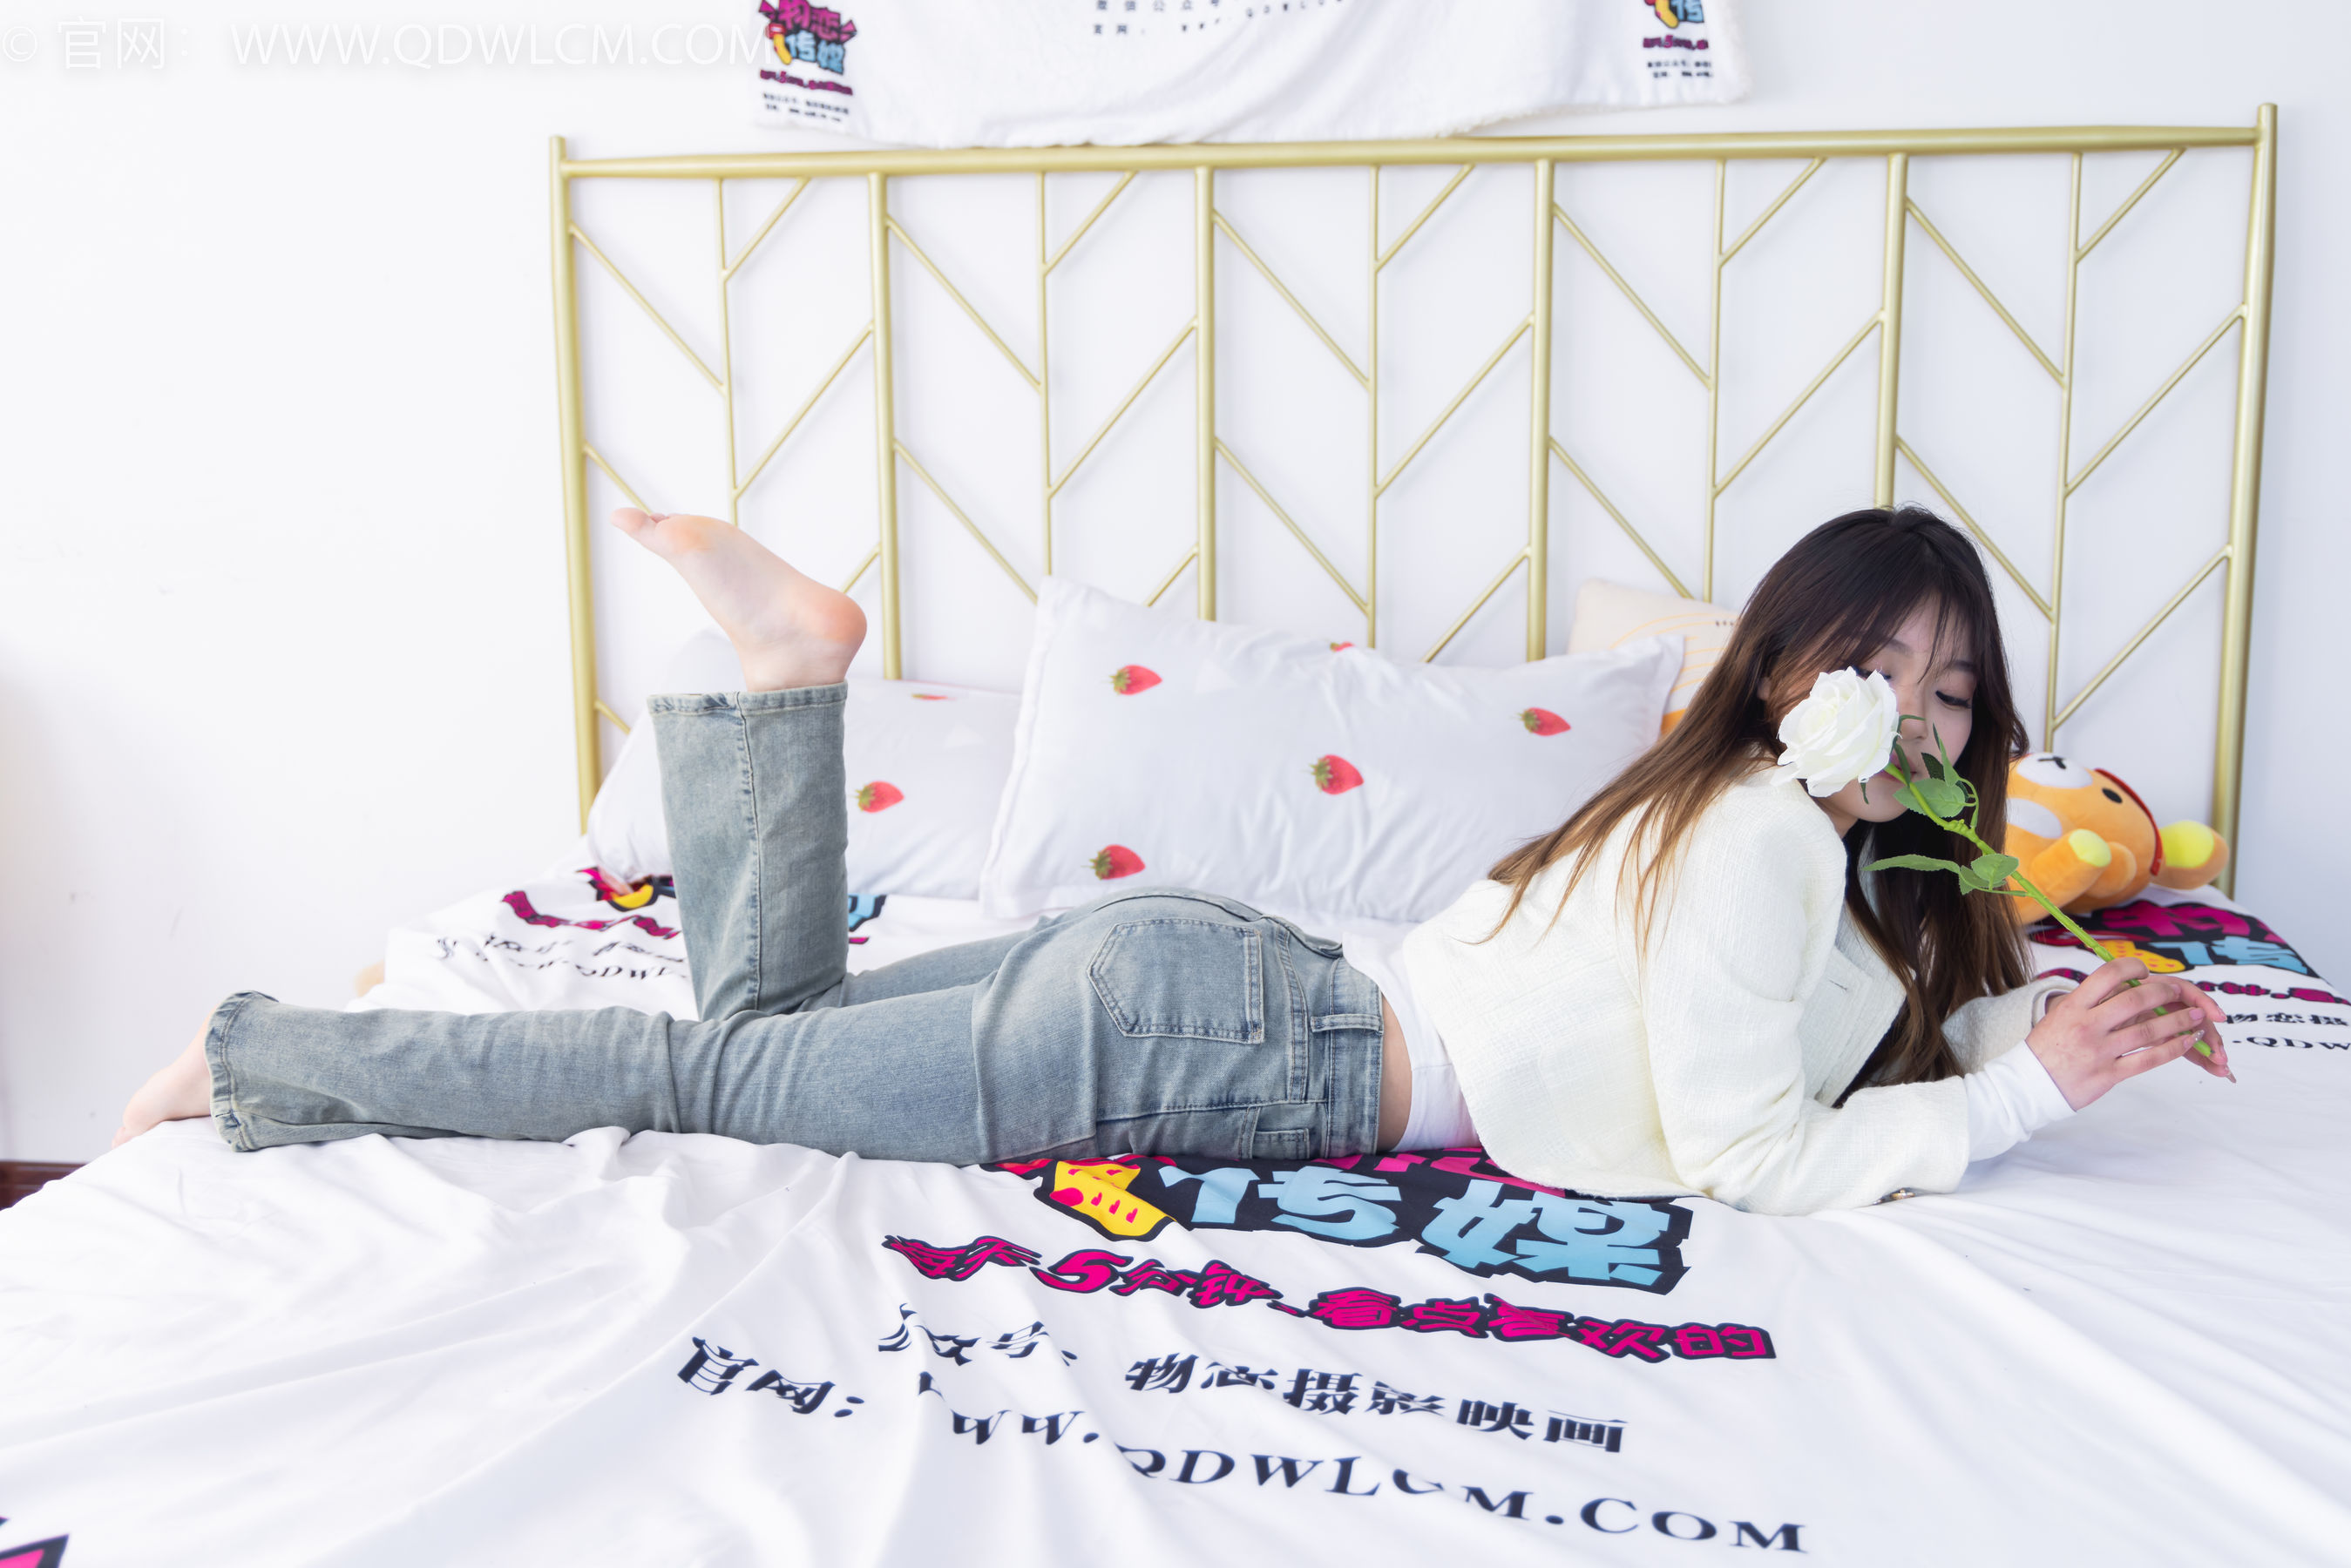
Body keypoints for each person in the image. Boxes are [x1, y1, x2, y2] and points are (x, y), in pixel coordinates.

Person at [113, 504, 2228, 1213]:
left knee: (761, 1027)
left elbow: (1832, 1024)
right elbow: (1745, 1150)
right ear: (1781, 677)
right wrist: (2019, 1103)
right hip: (1239, 1048)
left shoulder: (1780, 847)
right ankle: (274, 1055)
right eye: (1872, 668)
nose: (1912, 717)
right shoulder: (1759, 835)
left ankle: (788, 677)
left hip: (1216, 979)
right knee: (709, 1070)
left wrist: (2033, 1019)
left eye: (1952, 692)